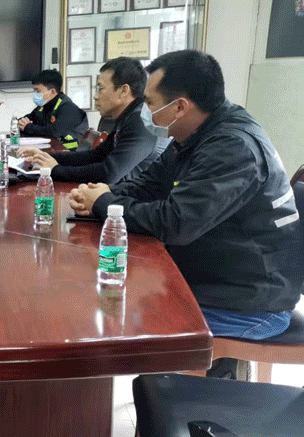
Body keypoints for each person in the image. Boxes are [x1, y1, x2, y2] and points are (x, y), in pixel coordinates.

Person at [69, 50, 303, 350]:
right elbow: (149, 183)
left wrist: (104, 204)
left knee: (120, 317)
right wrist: (102, 194)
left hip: (249, 301)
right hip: (217, 278)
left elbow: (175, 222)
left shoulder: (232, 147)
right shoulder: (196, 133)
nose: (146, 111)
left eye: (150, 104)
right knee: (108, 290)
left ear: (179, 107)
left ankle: (209, 372)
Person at [19, 57, 167, 184]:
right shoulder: (127, 116)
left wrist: (56, 170)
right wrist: (45, 157)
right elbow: (96, 156)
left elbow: (109, 173)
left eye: (100, 88)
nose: (95, 96)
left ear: (124, 91)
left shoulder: (141, 120)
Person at [19, 69, 89, 148]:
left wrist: (28, 127)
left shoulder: (68, 108)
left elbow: (54, 132)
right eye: (34, 91)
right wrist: (21, 123)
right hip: (50, 150)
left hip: (69, 152)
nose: (34, 94)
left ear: (52, 92)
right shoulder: (43, 107)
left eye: (38, 91)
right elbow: (26, 120)